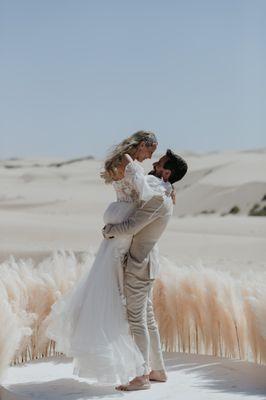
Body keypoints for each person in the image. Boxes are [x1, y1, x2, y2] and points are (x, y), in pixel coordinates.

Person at [45, 130, 164, 385]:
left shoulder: (120, 161)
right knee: (127, 301)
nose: (149, 158)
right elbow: (145, 195)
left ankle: (147, 368)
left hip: (116, 224)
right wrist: (164, 188)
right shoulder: (132, 166)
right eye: (150, 151)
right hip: (125, 230)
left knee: (120, 290)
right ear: (143, 145)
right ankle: (140, 370)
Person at [103, 149, 188, 391]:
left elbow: (132, 226)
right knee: (147, 318)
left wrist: (108, 230)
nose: (154, 163)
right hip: (146, 263)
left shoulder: (159, 198)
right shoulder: (163, 193)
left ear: (167, 171)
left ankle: (141, 377)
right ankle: (158, 370)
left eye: (159, 162)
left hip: (140, 264)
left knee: (136, 319)